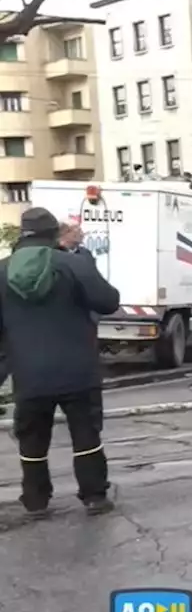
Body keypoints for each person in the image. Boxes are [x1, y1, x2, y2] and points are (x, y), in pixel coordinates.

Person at [0, 208, 120, 517]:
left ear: (22, 234)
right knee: (85, 433)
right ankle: (94, 496)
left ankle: (36, 500)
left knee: (32, 438)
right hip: (77, 369)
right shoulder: (72, 264)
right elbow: (108, 301)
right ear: (54, 233)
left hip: (28, 373)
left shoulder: (2, 271)